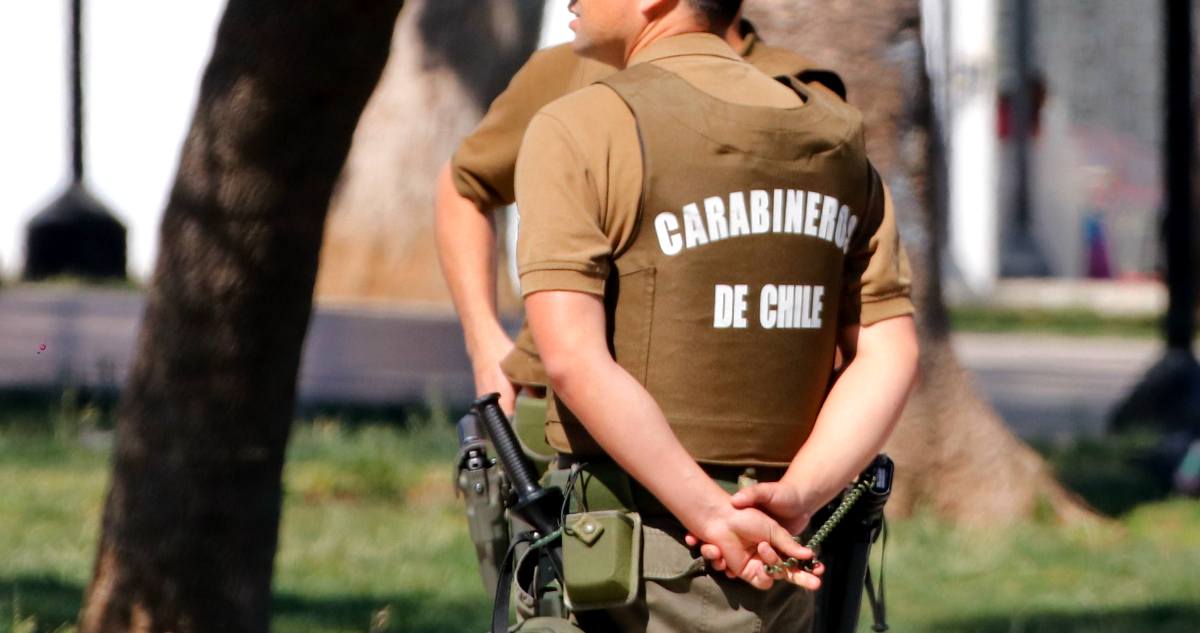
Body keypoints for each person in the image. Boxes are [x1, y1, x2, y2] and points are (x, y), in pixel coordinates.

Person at [512, 0, 920, 630]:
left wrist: (712, 515)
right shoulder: (835, 136)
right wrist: (799, 498)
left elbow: (571, 359)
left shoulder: (582, 125)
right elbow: (889, 351)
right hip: (788, 558)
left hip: (631, 568)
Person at [434, 6, 845, 416]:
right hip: (560, 423)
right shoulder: (575, 68)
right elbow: (464, 185)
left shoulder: (800, 95)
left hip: (726, 423)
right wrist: (484, 343)